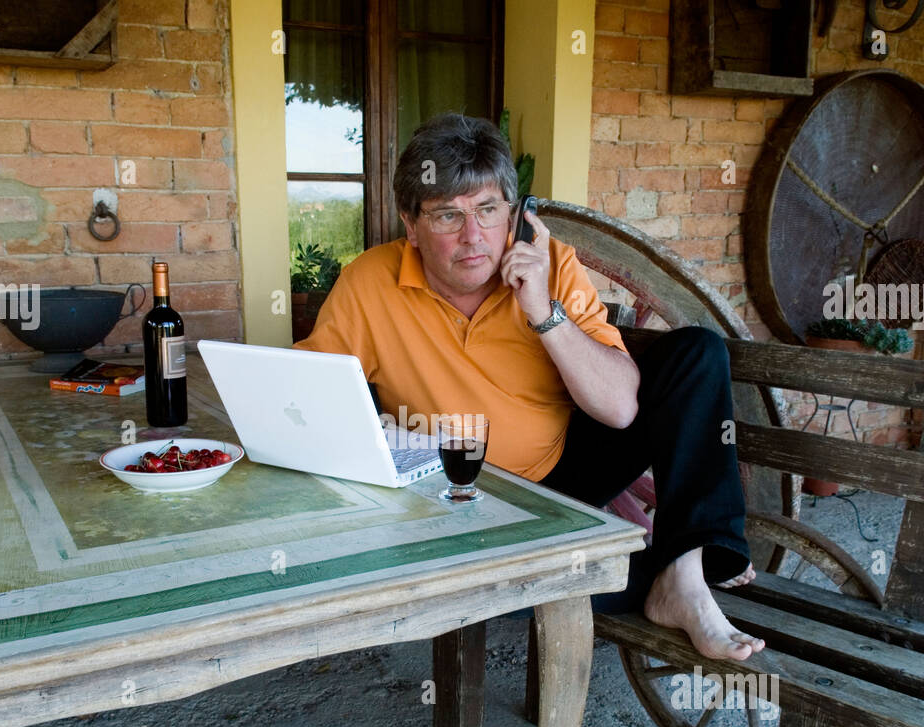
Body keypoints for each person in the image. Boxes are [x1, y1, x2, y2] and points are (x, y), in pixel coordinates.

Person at [294, 113, 764, 663]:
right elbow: (310, 396)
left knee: (698, 353)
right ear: (410, 223)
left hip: (566, 465)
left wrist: (542, 308)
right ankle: (645, 578)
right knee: (468, 581)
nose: (474, 237)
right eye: (448, 215)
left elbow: (617, 409)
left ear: (514, 216)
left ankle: (683, 576)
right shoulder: (370, 281)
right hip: (460, 499)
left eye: (488, 211)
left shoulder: (552, 264)